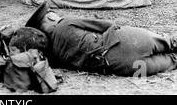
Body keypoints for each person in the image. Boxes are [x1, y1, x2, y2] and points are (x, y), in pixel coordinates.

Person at [26, 4, 177, 76]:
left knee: (172, 61)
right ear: (51, 16)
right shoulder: (65, 23)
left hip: (124, 67)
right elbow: (107, 25)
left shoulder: (55, 55)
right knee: (169, 42)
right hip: (128, 41)